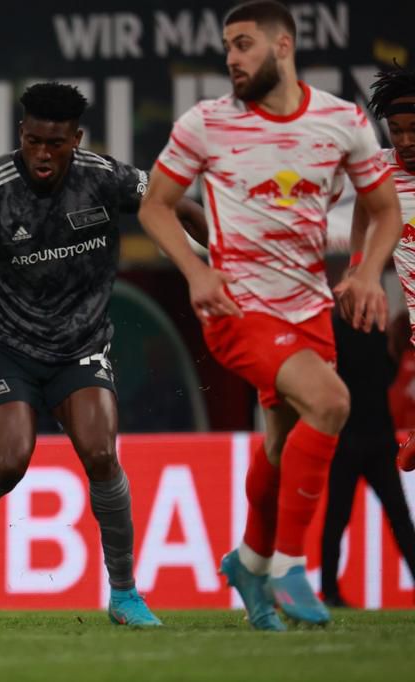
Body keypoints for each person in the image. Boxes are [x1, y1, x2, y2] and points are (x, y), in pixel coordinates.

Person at [138, 0, 403, 628]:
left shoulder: (341, 122)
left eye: (244, 44)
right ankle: (288, 567)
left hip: (309, 308)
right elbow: (155, 206)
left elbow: (385, 207)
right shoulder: (205, 124)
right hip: (236, 306)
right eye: (228, 46)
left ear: (283, 47)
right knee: (333, 404)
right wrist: (198, 271)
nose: (232, 58)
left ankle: (248, 564)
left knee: (283, 446)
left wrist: (366, 272)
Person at [0, 81, 208, 627]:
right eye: (32, 142)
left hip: (81, 347)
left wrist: (217, 257)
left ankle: (124, 595)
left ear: (76, 139)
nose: (42, 155)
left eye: (55, 143)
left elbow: (178, 205)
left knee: (100, 453)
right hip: (6, 347)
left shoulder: (105, 178)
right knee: (11, 460)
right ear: (19, 135)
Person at [320, 308, 415, 607]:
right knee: (399, 518)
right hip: (375, 436)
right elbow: (388, 374)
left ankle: (330, 592)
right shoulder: (377, 328)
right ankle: (330, 591)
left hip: (350, 437)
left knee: (337, 518)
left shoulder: (333, 327)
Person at [359, 64, 415, 472]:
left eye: (414, 129)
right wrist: (363, 271)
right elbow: (364, 208)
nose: (406, 141)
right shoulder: (378, 170)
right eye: (396, 129)